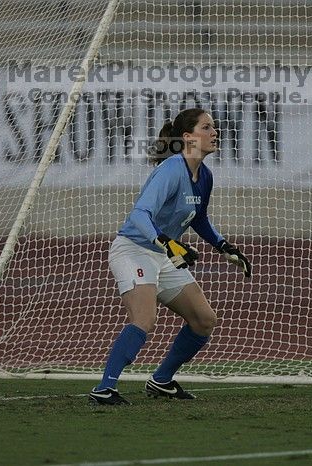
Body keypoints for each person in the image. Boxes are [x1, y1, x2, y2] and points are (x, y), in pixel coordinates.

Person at [88, 107, 252, 405]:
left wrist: (223, 245)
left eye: (214, 127)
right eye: (207, 127)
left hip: (164, 254)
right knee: (145, 319)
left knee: (204, 320)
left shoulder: (204, 176)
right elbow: (139, 214)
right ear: (188, 137)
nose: (215, 132)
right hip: (134, 250)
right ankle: (104, 389)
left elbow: (198, 218)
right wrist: (166, 241)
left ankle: (161, 381)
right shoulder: (171, 169)